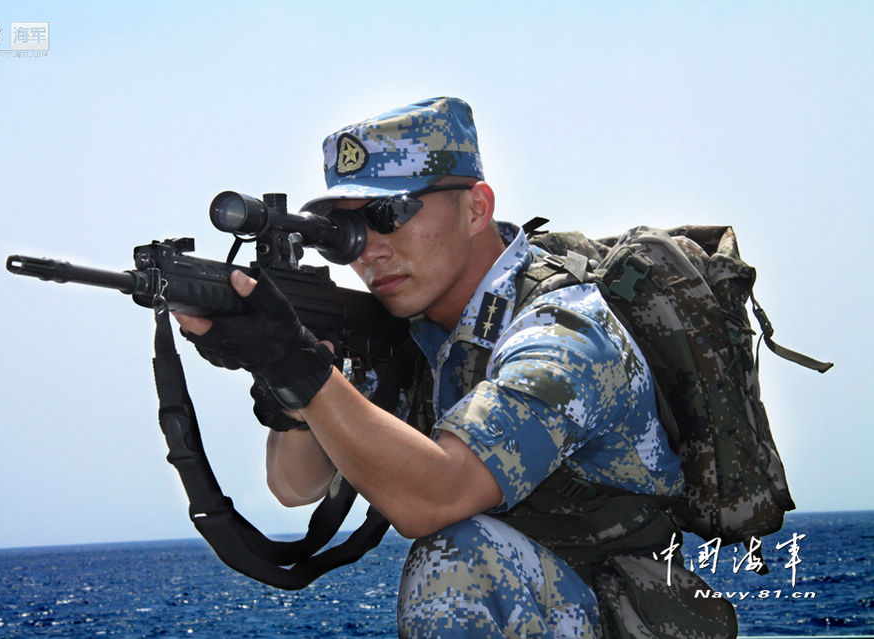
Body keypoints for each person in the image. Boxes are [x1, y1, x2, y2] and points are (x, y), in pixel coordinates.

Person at [174, 98, 702, 638]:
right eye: (345, 231)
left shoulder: (563, 333)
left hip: (625, 616)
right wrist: (286, 375)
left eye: (389, 214)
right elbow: (295, 484)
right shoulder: (418, 338)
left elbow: (438, 498)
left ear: (476, 208)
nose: (368, 251)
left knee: (454, 560)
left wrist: (299, 363)